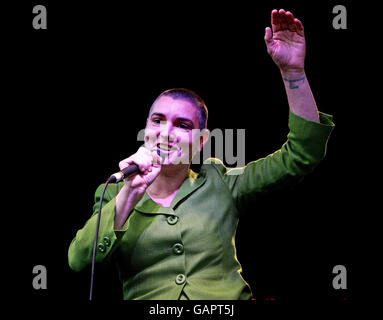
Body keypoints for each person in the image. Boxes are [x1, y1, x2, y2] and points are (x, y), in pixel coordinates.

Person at [68, 9, 335, 300]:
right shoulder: (114, 193)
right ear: (146, 129)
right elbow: (79, 260)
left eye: (182, 125)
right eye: (157, 121)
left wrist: (293, 73)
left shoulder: (220, 182)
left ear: (201, 141)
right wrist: (128, 196)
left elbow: (302, 154)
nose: (166, 132)